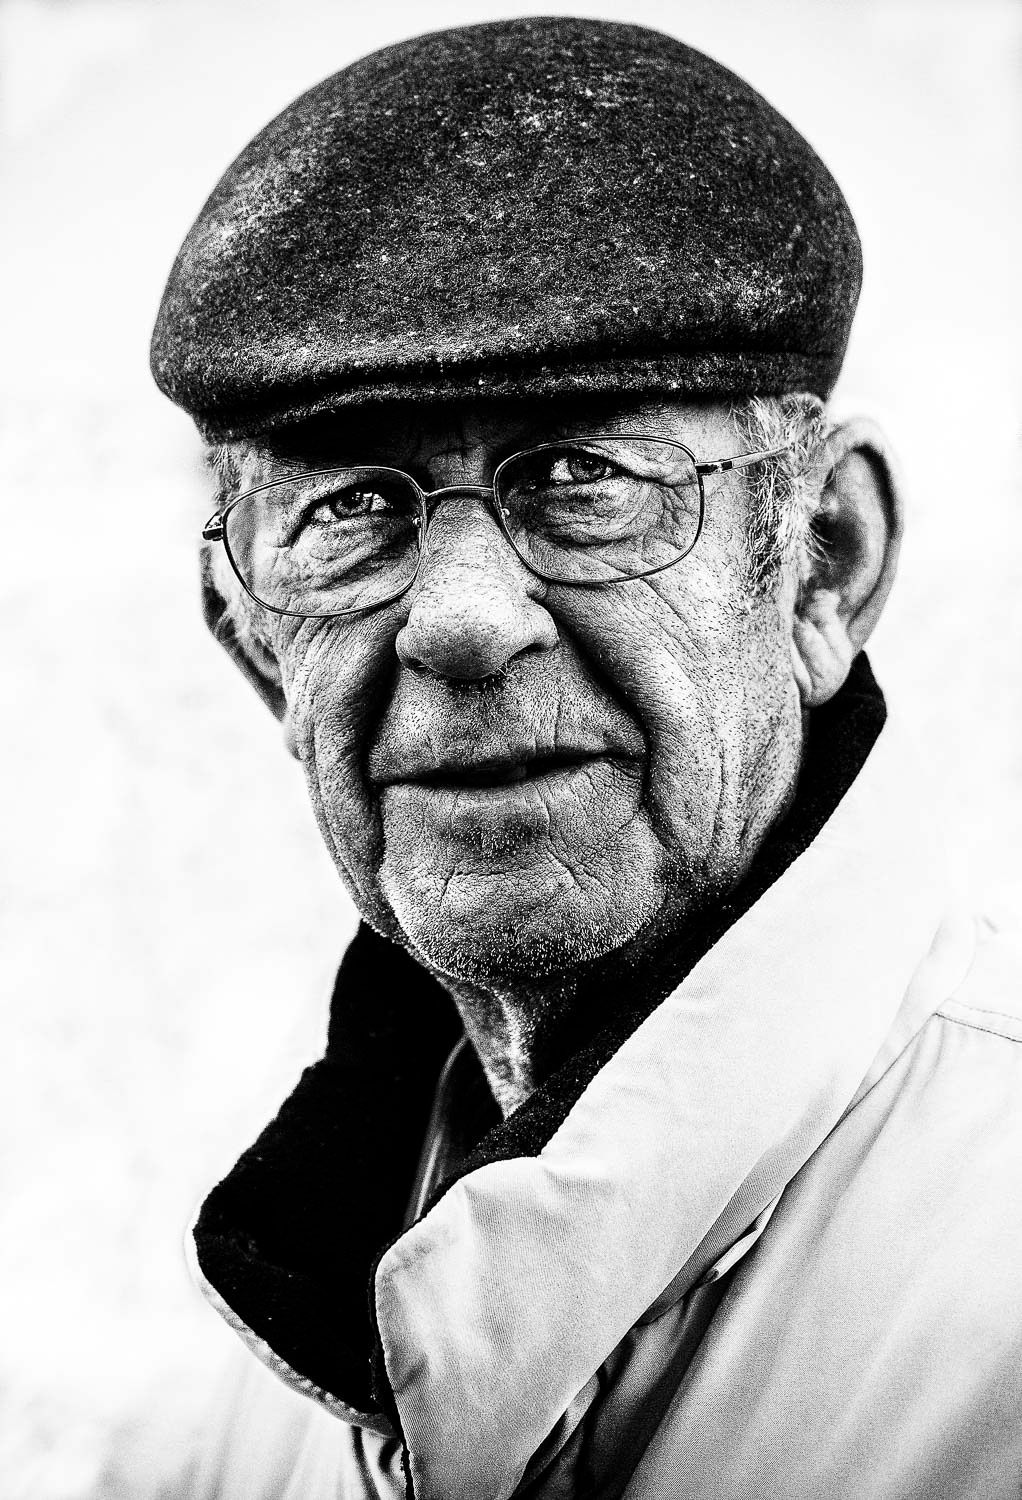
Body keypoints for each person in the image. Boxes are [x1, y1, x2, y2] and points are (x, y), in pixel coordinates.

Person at [151, 17, 1022, 1499]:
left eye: (581, 476)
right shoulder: (270, 1361)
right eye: (351, 509)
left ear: (823, 562)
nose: (460, 620)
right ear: (256, 643)